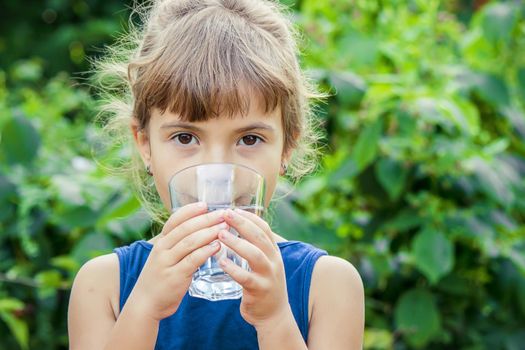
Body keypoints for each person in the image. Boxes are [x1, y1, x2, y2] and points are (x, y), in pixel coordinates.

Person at [67, 0, 364, 349]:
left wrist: (274, 318)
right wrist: (144, 309)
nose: (219, 176)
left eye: (249, 139)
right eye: (185, 137)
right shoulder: (103, 286)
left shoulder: (327, 285)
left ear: (286, 147)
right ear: (145, 144)